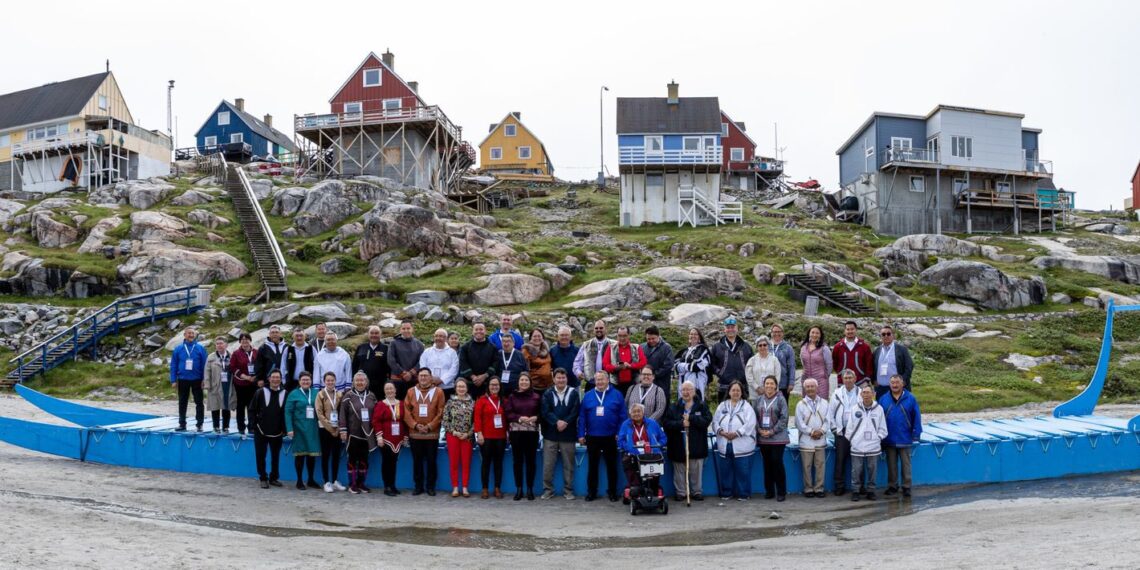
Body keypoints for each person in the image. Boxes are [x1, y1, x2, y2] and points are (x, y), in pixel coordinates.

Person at [577, 371, 628, 502]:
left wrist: (619, 433)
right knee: (592, 466)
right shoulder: (588, 395)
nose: (599, 382)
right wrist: (581, 434)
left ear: (608, 380)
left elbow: (623, 416)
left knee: (612, 466)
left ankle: (612, 492)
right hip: (592, 436)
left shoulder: (617, 395)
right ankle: (591, 492)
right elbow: (582, 417)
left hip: (610, 436)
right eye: (597, 380)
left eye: (602, 379)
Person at [663, 381, 711, 502]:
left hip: (696, 444)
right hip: (678, 445)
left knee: (696, 470)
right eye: (683, 390)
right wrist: (681, 424)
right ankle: (681, 492)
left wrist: (692, 418)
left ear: (694, 391)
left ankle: (696, 491)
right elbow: (667, 423)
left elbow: (706, 421)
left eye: (688, 389)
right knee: (679, 470)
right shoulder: (673, 407)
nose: (686, 392)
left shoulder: (701, 406)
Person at [712, 381, 757, 501]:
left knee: (743, 471)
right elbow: (715, 421)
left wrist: (736, 434)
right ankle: (726, 493)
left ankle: (744, 493)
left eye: (738, 390)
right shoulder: (722, 405)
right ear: (729, 392)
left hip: (742, 445)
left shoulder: (747, 406)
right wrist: (721, 432)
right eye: (733, 390)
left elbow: (750, 424)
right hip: (725, 443)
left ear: (742, 392)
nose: (735, 392)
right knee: (725, 471)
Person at [540, 368, 580, 500]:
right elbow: (545, 411)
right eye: (558, 378)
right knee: (548, 464)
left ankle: (568, 490)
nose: (561, 380)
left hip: (568, 435)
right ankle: (548, 490)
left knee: (568, 465)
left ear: (566, 379)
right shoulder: (547, 393)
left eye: (563, 378)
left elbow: (575, 411)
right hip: (550, 435)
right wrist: (556, 422)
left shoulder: (574, 393)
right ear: (554, 379)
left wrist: (565, 422)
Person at [880, 374, 922, 498]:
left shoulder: (911, 398)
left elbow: (917, 417)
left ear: (902, 383)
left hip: (905, 437)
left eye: (897, 382)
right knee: (891, 464)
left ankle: (906, 487)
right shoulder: (883, 399)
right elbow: (878, 418)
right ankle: (893, 486)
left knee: (906, 464)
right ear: (889, 384)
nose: (894, 385)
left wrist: (916, 433)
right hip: (889, 438)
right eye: (892, 382)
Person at [404, 368, 445, 496]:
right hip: (415, 433)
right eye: (421, 376)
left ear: (431, 378)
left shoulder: (439, 392)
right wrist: (415, 425)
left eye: (426, 376)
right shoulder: (411, 391)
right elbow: (406, 411)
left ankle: (430, 486)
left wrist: (430, 426)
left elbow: (441, 411)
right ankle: (418, 486)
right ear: (417, 378)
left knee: (432, 461)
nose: (423, 378)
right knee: (417, 461)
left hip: (432, 433)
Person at [846, 382, 888, 501]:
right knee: (856, 470)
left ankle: (871, 491)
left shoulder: (879, 409)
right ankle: (856, 491)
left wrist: (877, 438)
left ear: (873, 394)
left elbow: (883, 428)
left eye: (868, 392)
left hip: (873, 447)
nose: (866, 395)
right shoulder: (855, 409)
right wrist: (853, 440)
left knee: (872, 470)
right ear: (861, 394)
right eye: (864, 392)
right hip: (857, 446)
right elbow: (849, 428)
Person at [617, 403, 667, 501]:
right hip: (633, 454)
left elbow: (663, 438)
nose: (636, 414)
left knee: (654, 473)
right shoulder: (626, 424)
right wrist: (628, 447)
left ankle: (653, 491)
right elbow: (620, 440)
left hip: (651, 454)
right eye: (634, 412)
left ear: (643, 412)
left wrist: (658, 445)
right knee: (629, 464)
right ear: (630, 414)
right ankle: (636, 490)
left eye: (639, 411)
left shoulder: (652, 423)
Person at [338, 372, 377, 494]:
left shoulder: (371, 396)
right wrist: (343, 430)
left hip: (367, 434)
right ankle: (352, 484)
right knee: (352, 460)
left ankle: (361, 483)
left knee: (364, 460)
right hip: (353, 434)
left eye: (362, 380)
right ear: (353, 382)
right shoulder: (348, 396)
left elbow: (376, 414)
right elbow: (342, 414)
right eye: (357, 380)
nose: (360, 382)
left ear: (366, 382)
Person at [504, 373, 542, 500]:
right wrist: (519, 418)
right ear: (518, 382)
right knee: (517, 462)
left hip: (532, 434)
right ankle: (519, 488)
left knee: (531, 462)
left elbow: (542, 413)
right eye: (522, 380)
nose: (524, 382)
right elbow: (508, 413)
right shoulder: (512, 396)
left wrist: (536, 417)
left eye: (526, 380)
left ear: (530, 382)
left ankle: (530, 489)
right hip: (516, 433)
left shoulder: (536, 396)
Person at [249, 370, 287, 488]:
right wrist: (253, 425)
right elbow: (252, 410)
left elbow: (287, 413)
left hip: (277, 432)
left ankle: (274, 478)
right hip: (261, 431)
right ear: (269, 379)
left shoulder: (285, 393)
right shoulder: (260, 392)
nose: (276, 380)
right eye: (273, 377)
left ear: (281, 379)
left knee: (275, 456)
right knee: (261, 455)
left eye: (278, 377)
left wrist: (285, 429)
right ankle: (263, 478)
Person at [755, 376, 789, 501]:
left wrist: (772, 431)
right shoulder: (759, 399)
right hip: (763, 437)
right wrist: (759, 430)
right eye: (767, 383)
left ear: (776, 385)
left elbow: (784, 418)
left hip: (777, 437)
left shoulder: (781, 399)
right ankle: (769, 491)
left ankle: (781, 492)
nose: (769, 386)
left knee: (777, 462)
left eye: (771, 383)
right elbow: (754, 417)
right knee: (767, 464)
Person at [285, 372, 321, 490]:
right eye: (303, 380)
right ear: (299, 381)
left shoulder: (316, 393)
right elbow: (288, 412)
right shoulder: (293, 394)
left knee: (312, 455)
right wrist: (289, 429)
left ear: (311, 381)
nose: (306, 382)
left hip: (313, 428)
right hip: (298, 428)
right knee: (300, 455)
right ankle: (299, 480)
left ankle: (310, 479)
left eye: (308, 380)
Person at [827, 369, 860, 496]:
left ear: (855, 379)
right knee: (840, 460)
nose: (848, 380)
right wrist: (834, 429)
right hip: (841, 431)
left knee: (857, 460)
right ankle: (839, 486)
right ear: (842, 380)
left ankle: (857, 486)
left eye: (850, 378)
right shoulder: (836, 394)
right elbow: (830, 413)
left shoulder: (861, 393)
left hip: (857, 432)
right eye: (846, 378)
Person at [796, 378, 830, 498]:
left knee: (820, 465)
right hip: (806, 441)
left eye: (812, 386)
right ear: (805, 389)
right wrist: (811, 432)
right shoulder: (800, 404)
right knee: (806, 466)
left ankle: (819, 488)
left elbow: (828, 420)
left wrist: (821, 431)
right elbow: (799, 423)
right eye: (808, 387)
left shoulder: (825, 403)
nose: (810, 389)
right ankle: (808, 488)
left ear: (817, 388)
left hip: (820, 440)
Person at [474, 377, 508, 498]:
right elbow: (477, 418)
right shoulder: (481, 400)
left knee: (498, 464)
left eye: (497, 385)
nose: (494, 387)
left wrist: (508, 432)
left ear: (500, 386)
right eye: (492, 385)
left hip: (501, 437)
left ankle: (497, 488)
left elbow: (507, 418)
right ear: (488, 386)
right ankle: (485, 488)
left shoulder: (504, 400)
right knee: (486, 463)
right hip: (486, 437)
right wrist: (479, 433)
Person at [371, 381, 406, 496]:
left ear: (395, 390)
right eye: (387, 389)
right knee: (387, 463)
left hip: (398, 438)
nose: (390, 391)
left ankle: (393, 485)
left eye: (391, 388)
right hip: (385, 438)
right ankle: (387, 487)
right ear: (384, 391)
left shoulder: (401, 404)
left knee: (394, 463)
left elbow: (405, 421)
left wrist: (405, 436)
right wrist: (379, 436)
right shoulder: (381, 404)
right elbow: (376, 421)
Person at [442, 378, 475, 498]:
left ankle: (465, 487)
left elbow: (475, 421)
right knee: (454, 463)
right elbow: (445, 420)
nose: (461, 389)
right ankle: (455, 487)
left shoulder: (472, 402)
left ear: (467, 388)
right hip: (453, 436)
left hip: (467, 437)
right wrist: (454, 432)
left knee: (466, 462)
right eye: (459, 386)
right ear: (455, 388)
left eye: (463, 386)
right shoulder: (450, 402)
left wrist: (468, 433)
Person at [170, 327, 207, 432]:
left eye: (193, 333)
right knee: (182, 402)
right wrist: (173, 380)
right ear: (184, 335)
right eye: (189, 333)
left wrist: (204, 379)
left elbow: (205, 364)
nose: (191, 335)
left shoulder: (200, 348)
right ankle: (182, 424)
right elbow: (174, 365)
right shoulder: (178, 349)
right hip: (183, 379)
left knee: (199, 402)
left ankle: (199, 424)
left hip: (197, 379)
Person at [315, 373, 345, 492]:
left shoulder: (339, 394)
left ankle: (335, 481)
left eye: (332, 380)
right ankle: (326, 482)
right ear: (324, 381)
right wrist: (330, 428)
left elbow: (342, 412)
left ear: (335, 381)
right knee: (326, 455)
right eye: (328, 380)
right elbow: (319, 413)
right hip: (324, 429)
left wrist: (337, 428)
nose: (330, 382)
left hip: (337, 429)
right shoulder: (320, 394)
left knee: (336, 456)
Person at [710, 317, 754, 401]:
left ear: (737, 329)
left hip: (742, 387)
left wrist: (747, 375)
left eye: (733, 327)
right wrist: (720, 372)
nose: (730, 329)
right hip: (723, 387)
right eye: (728, 327)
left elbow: (752, 364)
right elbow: (712, 364)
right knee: (724, 412)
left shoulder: (746, 346)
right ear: (724, 330)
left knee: (743, 412)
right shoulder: (717, 347)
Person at [203, 337, 236, 433]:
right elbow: (207, 371)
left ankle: (226, 427)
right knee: (215, 406)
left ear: (226, 345)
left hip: (228, 384)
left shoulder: (232, 356)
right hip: (215, 384)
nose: (219, 345)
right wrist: (207, 384)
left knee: (226, 405)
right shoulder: (211, 357)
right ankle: (216, 426)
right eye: (217, 344)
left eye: (221, 343)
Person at [459, 322, 498, 399]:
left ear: (485, 331)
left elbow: (495, 363)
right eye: (476, 329)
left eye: (481, 329)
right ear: (472, 332)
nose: (478, 331)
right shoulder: (465, 347)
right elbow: (463, 362)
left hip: (487, 384)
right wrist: (473, 377)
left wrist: (485, 375)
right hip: (470, 384)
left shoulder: (493, 347)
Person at [873, 325, 914, 398]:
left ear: (893, 336)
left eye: (888, 334)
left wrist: (903, 380)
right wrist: (873, 379)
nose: (886, 336)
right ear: (880, 336)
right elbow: (872, 366)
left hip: (897, 387)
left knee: (899, 408)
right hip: (881, 389)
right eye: (883, 334)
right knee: (882, 409)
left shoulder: (902, 350)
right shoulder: (877, 351)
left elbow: (909, 366)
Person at [388, 320, 425, 400]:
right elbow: (391, 360)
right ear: (400, 330)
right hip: (397, 380)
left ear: (412, 329)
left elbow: (422, 361)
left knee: (413, 404)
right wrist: (403, 373)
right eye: (403, 328)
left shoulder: (419, 344)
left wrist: (411, 373)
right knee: (398, 404)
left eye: (408, 328)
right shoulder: (393, 343)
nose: (406, 330)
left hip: (413, 381)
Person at [231, 333, 258, 436]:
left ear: (250, 340)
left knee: (252, 407)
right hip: (240, 384)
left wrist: (256, 376)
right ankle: (241, 427)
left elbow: (260, 365)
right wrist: (245, 377)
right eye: (242, 340)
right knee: (241, 406)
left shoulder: (256, 352)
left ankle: (252, 427)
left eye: (246, 339)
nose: (244, 341)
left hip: (253, 384)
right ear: (240, 341)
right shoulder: (236, 353)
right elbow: (233, 368)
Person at [419, 328, 460, 398]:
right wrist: (430, 379)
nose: (438, 338)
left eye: (441, 336)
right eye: (436, 336)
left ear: (446, 338)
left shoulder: (452, 352)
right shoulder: (427, 352)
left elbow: (454, 369)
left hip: (447, 387)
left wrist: (441, 380)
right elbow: (423, 367)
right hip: (429, 386)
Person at [353, 326, 390, 400]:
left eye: (376, 333)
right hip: (362, 385)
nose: (374, 335)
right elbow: (354, 365)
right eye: (372, 333)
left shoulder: (386, 348)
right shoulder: (361, 347)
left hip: (380, 386)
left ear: (380, 335)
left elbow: (389, 367)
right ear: (368, 334)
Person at [603, 326, 645, 390]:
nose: (622, 338)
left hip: (634, 384)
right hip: (615, 384)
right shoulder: (611, 348)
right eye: (620, 336)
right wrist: (616, 367)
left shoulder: (636, 347)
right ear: (617, 336)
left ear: (629, 335)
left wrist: (630, 366)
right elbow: (605, 365)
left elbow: (643, 362)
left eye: (624, 336)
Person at [573, 320, 611, 390]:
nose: (598, 330)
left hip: (610, 384)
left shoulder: (613, 344)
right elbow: (577, 362)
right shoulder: (586, 345)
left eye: (601, 328)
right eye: (596, 328)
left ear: (605, 329)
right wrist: (578, 372)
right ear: (593, 330)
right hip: (591, 384)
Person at [674, 328, 711, 399]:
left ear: (699, 337)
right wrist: (687, 366)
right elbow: (675, 365)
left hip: (696, 381)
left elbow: (697, 367)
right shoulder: (685, 351)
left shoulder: (703, 350)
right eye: (691, 334)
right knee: (682, 402)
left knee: (695, 402)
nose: (693, 336)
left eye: (695, 334)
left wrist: (683, 366)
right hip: (683, 380)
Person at [641, 326, 675, 403]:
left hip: (662, 383)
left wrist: (653, 375)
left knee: (661, 403)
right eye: (648, 339)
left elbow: (668, 365)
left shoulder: (667, 348)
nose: (651, 341)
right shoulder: (642, 347)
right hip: (646, 382)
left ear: (658, 336)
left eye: (653, 338)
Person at [800, 325, 833, 400]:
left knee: (821, 404)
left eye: (817, 333)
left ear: (820, 335)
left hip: (821, 381)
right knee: (807, 403)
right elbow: (803, 362)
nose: (814, 335)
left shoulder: (824, 348)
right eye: (813, 332)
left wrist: (824, 376)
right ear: (809, 333)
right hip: (806, 379)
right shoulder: (803, 347)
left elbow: (829, 365)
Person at [744, 335, 782, 400]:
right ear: (757, 347)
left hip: (771, 393)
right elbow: (749, 377)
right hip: (756, 394)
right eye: (760, 345)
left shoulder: (774, 360)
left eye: (764, 345)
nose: (762, 347)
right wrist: (757, 388)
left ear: (768, 346)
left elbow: (777, 377)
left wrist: (769, 389)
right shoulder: (751, 360)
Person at [770, 324, 797, 401]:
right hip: (768, 384)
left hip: (783, 383)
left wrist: (791, 383)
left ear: (783, 333)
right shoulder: (766, 346)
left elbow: (792, 366)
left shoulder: (788, 348)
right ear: (771, 333)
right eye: (774, 331)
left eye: (779, 331)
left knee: (782, 408)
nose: (777, 334)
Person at [521, 329, 553, 394]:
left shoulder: (546, 350)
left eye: (539, 336)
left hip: (548, 386)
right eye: (534, 336)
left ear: (542, 338)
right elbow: (524, 369)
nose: (537, 338)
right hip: (534, 387)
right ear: (530, 338)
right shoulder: (526, 351)